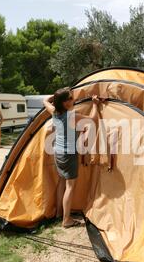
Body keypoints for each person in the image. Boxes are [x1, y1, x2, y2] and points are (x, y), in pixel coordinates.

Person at [43, 88, 101, 228]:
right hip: (69, 154)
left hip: (58, 152)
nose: (73, 99)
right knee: (70, 187)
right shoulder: (72, 116)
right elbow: (93, 120)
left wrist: (56, 97)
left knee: (62, 182)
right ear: (65, 103)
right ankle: (66, 220)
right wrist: (94, 104)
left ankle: (59, 213)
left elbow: (45, 100)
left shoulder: (54, 112)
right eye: (70, 98)